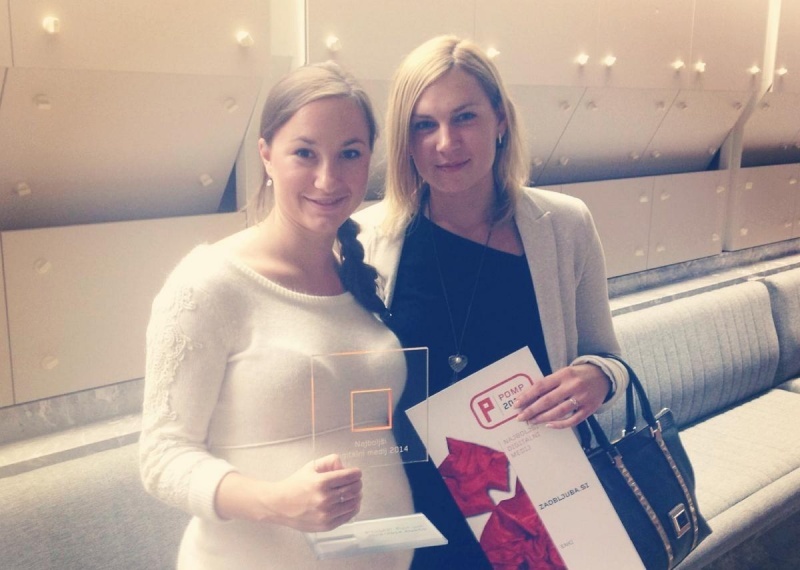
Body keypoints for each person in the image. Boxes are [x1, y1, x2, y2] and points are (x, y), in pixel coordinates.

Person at [354, 35, 630, 568]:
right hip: (414, 514)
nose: (446, 143)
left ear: (500, 120)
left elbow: (609, 358)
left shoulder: (564, 226)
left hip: (532, 509)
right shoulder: (366, 240)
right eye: (424, 125)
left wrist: (597, 378)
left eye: (465, 117)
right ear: (405, 140)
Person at [139, 61, 414, 569]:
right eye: (304, 153)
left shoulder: (359, 273)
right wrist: (276, 501)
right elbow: (162, 458)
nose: (328, 178)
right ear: (267, 155)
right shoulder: (208, 283)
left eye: (349, 153)